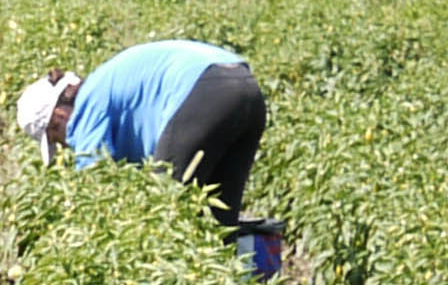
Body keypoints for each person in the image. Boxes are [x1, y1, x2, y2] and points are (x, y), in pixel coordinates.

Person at [17, 41, 269, 223]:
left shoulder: (86, 106)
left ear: (57, 118)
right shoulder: (106, 83)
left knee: (164, 212)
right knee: (220, 221)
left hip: (202, 90)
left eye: (56, 139)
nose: (65, 146)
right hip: (246, 87)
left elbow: (95, 188)